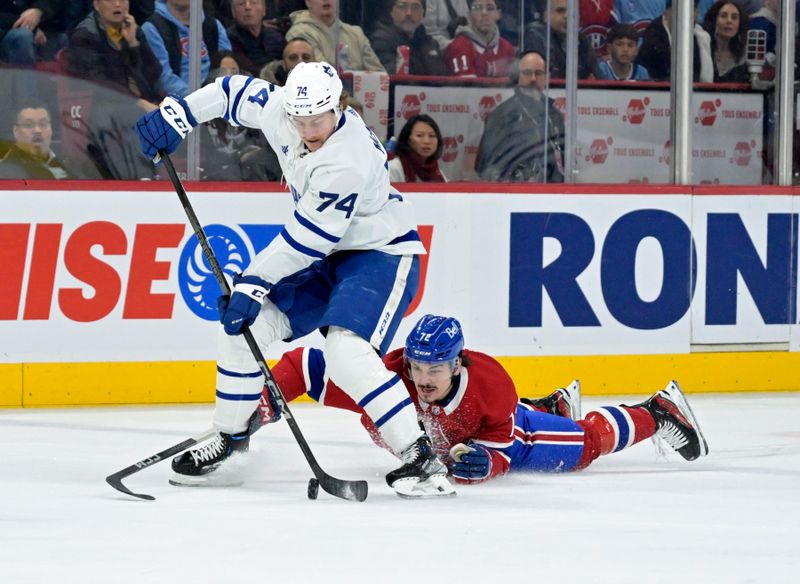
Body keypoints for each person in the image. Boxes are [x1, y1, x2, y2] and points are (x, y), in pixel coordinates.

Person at [135, 61, 454, 498]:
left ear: (337, 107)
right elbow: (231, 92)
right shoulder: (284, 109)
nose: (306, 129)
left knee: (345, 351)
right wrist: (180, 114)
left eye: (316, 119)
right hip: (329, 254)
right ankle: (230, 440)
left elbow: (308, 238)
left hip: (379, 253)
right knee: (247, 325)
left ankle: (420, 456)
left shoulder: (350, 159)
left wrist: (252, 280)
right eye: (298, 119)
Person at [254, 314, 709, 484]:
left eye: (435, 369)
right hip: (478, 429)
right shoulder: (388, 380)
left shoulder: (491, 388)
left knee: (585, 446)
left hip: (511, 433)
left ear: (457, 364)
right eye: (417, 367)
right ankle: (551, 407)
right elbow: (302, 367)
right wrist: (264, 404)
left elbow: (501, 449)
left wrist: (488, 464)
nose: (424, 379)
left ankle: (657, 412)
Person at [475, 50, 565, 183]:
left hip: (551, 194)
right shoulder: (502, 114)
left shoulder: (554, 113)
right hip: (515, 195)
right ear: (517, 76)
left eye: (539, 73)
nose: (533, 78)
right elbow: (485, 165)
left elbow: (563, 158)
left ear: (546, 77)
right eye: (527, 73)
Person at [68, 0, 164, 108]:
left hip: (143, 104)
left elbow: (154, 72)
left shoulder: (133, 29)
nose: (117, 4)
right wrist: (139, 103)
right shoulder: (85, 36)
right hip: (103, 109)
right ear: (97, 5)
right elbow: (100, 84)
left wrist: (133, 44)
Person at [141, 0, 233, 97]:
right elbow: (162, 78)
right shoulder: (151, 28)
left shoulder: (214, 25)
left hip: (216, 98)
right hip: (178, 103)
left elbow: (228, 63)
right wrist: (198, 98)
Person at [285, 0, 384, 73]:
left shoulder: (356, 33)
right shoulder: (298, 33)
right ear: (308, 2)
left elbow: (379, 74)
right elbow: (323, 74)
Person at [637, 0, 713, 83]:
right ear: (666, 13)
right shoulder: (653, 37)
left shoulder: (701, 37)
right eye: (680, 9)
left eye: (691, 9)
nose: (686, 15)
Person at [523, 0, 599, 80]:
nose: (567, 16)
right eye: (560, 11)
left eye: (572, 11)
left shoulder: (583, 41)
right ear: (546, 16)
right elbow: (547, 79)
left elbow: (596, 78)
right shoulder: (537, 36)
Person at [369, 0, 447, 76]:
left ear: (423, 13)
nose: (409, 13)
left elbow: (443, 78)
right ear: (391, 11)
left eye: (415, 8)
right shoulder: (381, 40)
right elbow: (391, 79)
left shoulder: (431, 43)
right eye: (402, 6)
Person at [0, 101, 72, 179]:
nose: (37, 130)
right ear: (16, 131)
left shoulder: (70, 163)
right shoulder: (6, 172)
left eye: (43, 124)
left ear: (51, 129)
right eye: (28, 125)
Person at [443, 0, 515, 78]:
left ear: (498, 14)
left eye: (490, 8)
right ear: (469, 14)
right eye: (477, 8)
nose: (484, 13)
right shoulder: (459, 46)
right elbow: (468, 87)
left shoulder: (507, 49)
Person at [227, 0, 285, 76]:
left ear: (264, 10)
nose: (247, 7)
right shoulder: (229, 39)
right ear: (233, 11)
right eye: (241, 4)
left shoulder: (277, 36)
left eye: (253, 2)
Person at [388, 114, 447, 183]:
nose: (426, 141)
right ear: (408, 140)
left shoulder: (437, 172)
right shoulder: (394, 168)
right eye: (419, 135)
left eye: (432, 136)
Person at [702, 0, 749, 83]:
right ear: (714, 20)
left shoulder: (745, 55)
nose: (729, 21)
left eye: (734, 17)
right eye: (723, 16)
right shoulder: (703, 48)